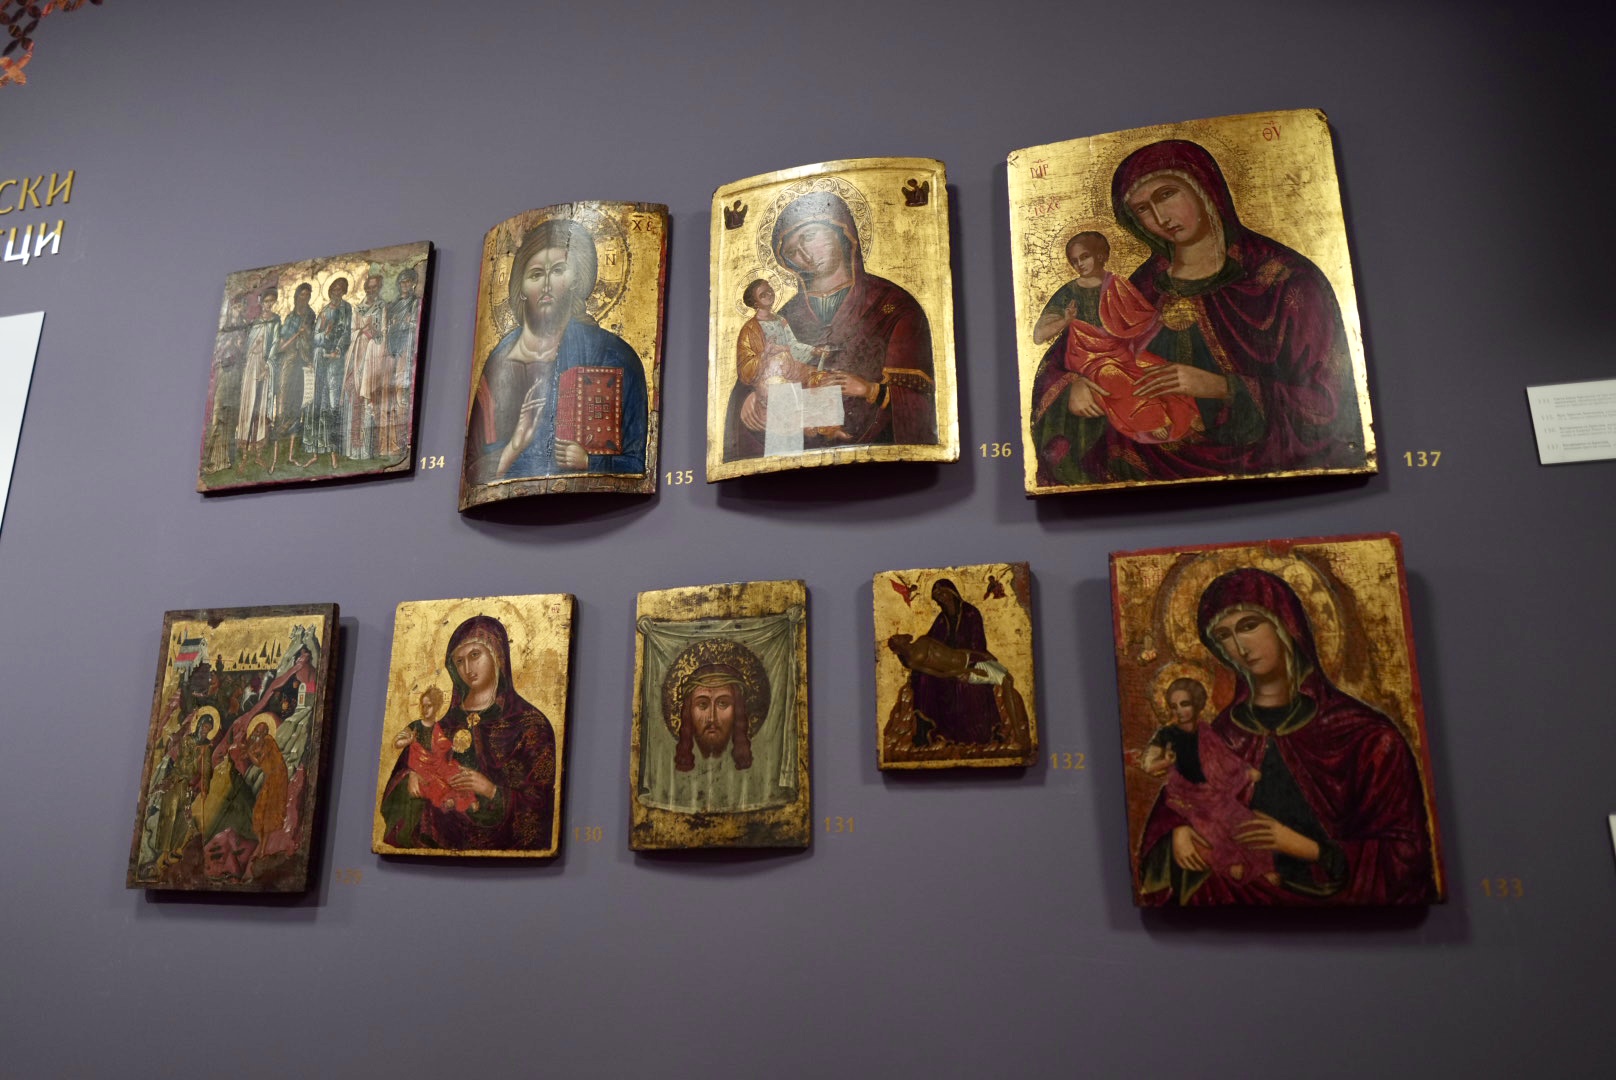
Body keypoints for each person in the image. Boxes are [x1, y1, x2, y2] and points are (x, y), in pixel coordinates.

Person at [1046, 140, 1363, 484]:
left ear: (1203, 186)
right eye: (1143, 209)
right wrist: (1075, 386)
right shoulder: (1142, 285)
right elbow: (1070, 353)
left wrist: (1224, 387)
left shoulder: (1284, 281)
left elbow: (1328, 403)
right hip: (1140, 455)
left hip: (1254, 461)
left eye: (1167, 194)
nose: (1161, 218)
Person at [1136, 569, 1437, 905]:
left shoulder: (1367, 737)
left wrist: (1306, 848)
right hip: (1235, 899)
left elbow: (1405, 859)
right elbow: (1179, 803)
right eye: (1223, 636)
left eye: (1249, 625)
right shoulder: (1220, 735)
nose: (1240, 647)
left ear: (1286, 624)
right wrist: (1176, 834)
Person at [725, 190, 936, 459]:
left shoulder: (893, 304)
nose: (804, 254)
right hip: (798, 453)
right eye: (792, 251)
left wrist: (870, 389)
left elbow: (926, 395)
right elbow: (753, 374)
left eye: (809, 237)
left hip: (879, 452)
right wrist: (748, 400)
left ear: (842, 231)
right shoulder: (783, 315)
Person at [465, 219, 647, 485]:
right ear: (520, 288)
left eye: (558, 270)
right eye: (536, 274)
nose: (547, 284)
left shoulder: (613, 355)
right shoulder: (499, 362)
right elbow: (474, 474)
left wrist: (591, 462)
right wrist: (515, 446)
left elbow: (638, 463)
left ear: (576, 280)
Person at [1029, 232, 1201, 483]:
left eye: (1084, 257)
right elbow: (1038, 335)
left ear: (1100, 255)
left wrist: (1167, 320)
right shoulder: (1069, 292)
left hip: (1122, 350)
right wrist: (1065, 320)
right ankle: (1151, 418)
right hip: (1089, 356)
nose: (1079, 264)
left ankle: (1186, 414)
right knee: (1112, 375)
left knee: (1154, 366)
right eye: (1074, 261)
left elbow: (1142, 319)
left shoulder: (1117, 284)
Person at [378, 616, 558, 851]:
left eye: (475, 655)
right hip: (437, 835)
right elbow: (405, 770)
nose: (468, 669)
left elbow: (541, 806)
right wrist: (412, 777)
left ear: (496, 655)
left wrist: (491, 791)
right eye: (459, 661)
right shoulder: (443, 725)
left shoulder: (530, 724)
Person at [1133, 677, 1274, 886]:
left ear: (1197, 703)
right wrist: (1165, 761)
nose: (1179, 711)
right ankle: (1230, 865)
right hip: (1185, 796)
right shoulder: (1166, 734)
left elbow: (1224, 759)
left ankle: (1264, 867)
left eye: (1185, 704)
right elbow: (1147, 764)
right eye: (1174, 706)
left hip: (1213, 794)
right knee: (1210, 829)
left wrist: (1245, 772)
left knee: (1245, 821)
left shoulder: (1206, 731)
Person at [884, 579, 1028, 749]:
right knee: (924, 680)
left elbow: (976, 644)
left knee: (1000, 680)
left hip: (971, 659)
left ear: (952, 592)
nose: (941, 598)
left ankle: (1011, 734)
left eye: (943, 593)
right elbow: (932, 658)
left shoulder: (970, 613)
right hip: (953, 669)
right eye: (937, 596)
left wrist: (977, 657)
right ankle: (927, 734)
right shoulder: (940, 621)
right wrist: (954, 672)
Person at [342, 272, 389, 460]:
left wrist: (374, 333)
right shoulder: (359, 308)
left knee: (369, 399)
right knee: (354, 397)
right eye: (368, 287)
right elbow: (352, 332)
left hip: (372, 358)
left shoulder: (381, 307)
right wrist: (362, 330)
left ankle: (368, 449)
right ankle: (354, 449)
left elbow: (383, 333)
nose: (371, 290)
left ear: (379, 288)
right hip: (357, 357)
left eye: (374, 287)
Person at [307, 277, 352, 467]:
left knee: (334, 403)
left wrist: (338, 350)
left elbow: (347, 332)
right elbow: (315, 337)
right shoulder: (324, 311)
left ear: (344, 291)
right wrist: (323, 334)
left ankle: (334, 451)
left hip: (335, 360)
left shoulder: (346, 308)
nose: (336, 292)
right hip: (321, 359)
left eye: (340, 289)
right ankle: (318, 449)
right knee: (319, 402)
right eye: (334, 289)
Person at [270, 282, 315, 470]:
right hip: (288, 364)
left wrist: (308, 335)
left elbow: (313, 340)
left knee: (297, 408)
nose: (304, 299)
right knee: (282, 408)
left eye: (307, 295)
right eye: (302, 295)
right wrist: (298, 334)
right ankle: (274, 459)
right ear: (296, 297)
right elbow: (281, 346)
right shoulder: (290, 319)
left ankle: (290, 456)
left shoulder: (311, 316)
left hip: (302, 365)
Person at [236, 287, 281, 468]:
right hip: (251, 366)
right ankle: (244, 454)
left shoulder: (275, 321)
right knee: (249, 405)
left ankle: (259, 453)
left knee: (260, 407)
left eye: (272, 301)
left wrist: (267, 364)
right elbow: (247, 345)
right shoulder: (254, 322)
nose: (269, 304)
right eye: (266, 301)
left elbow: (275, 343)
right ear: (261, 302)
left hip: (264, 366)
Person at [383, 265, 422, 459]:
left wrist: (405, 324)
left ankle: (404, 440)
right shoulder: (394, 305)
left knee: (402, 395)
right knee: (390, 395)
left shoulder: (415, 303)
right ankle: (392, 442)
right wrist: (396, 326)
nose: (404, 285)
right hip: (393, 351)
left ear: (413, 283)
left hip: (407, 353)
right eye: (401, 282)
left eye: (407, 281)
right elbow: (390, 326)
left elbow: (415, 325)